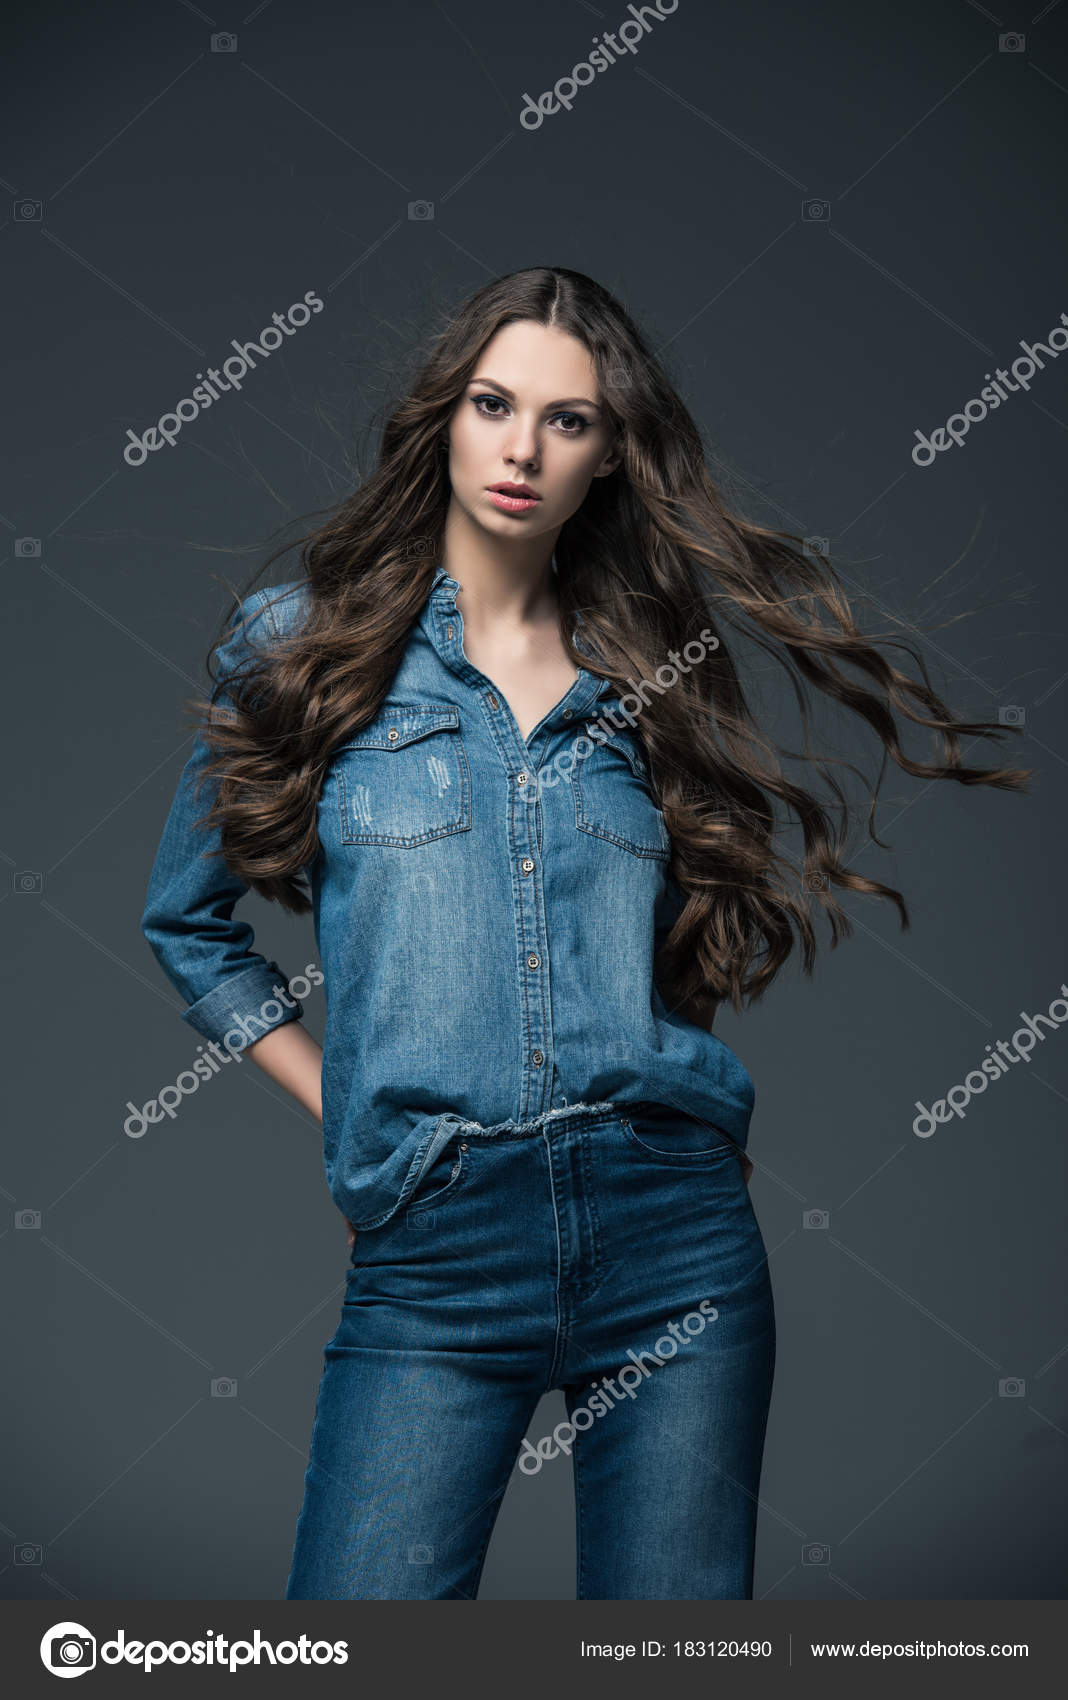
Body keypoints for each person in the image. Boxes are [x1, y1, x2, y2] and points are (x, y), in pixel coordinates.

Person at [140, 266, 1029, 1601]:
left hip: (674, 1240)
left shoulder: (645, 676)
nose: (520, 448)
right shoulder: (302, 649)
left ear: (609, 454)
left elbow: (683, 953)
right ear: (444, 417)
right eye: (495, 404)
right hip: (433, 1249)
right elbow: (188, 929)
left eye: (568, 420)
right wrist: (354, 1120)